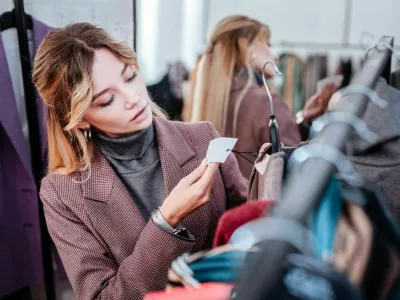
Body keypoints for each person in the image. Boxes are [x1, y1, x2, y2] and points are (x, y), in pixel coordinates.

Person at [32, 23, 248, 300]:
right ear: (79, 118)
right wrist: (166, 220)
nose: (133, 98)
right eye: (108, 99)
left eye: (130, 76)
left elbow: (250, 232)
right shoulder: (62, 193)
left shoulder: (203, 138)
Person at [189, 15, 301, 179]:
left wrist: (303, 119)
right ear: (245, 46)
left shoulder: (206, 102)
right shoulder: (267, 104)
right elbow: (293, 169)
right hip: (260, 204)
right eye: (267, 44)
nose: (275, 56)